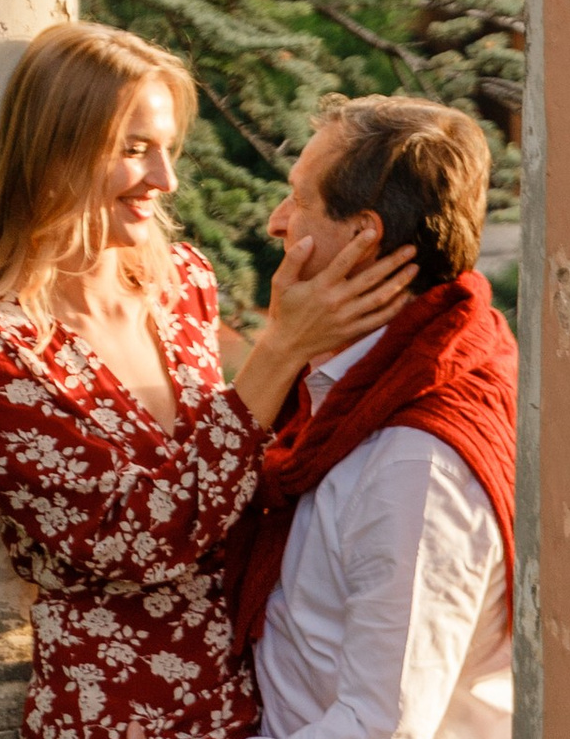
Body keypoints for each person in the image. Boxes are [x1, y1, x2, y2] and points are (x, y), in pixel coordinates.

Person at [0, 22, 420, 739]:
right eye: (133, 150)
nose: (165, 180)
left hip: (269, 693)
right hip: (120, 714)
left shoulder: (183, 283)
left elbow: (245, 477)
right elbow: (138, 541)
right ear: (55, 151)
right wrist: (278, 352)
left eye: (168, 150)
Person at [223, 97, 519, 739]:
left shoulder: (415, 466)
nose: (277, 222)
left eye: (298, 200)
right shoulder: (348, 391)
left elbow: (380, 725)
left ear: (363, 238)